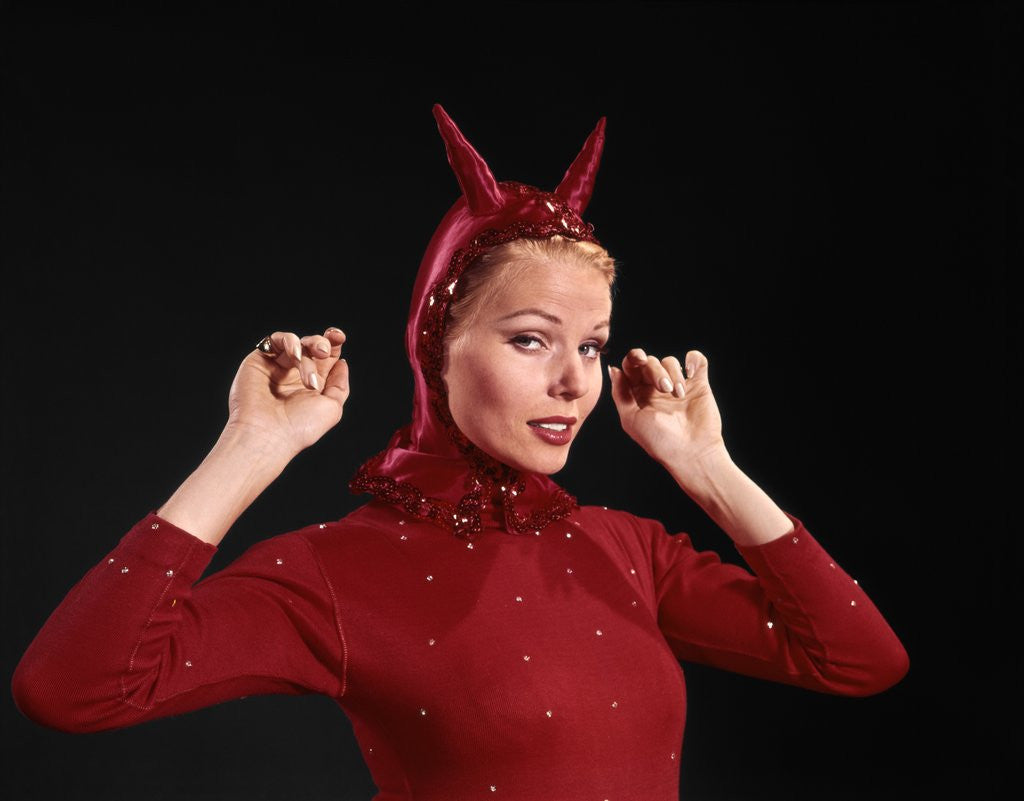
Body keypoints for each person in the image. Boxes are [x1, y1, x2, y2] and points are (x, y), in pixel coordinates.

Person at [12, 104, 909, 800]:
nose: (575, 382)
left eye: (592, 346)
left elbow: (859, 660)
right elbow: (74, 690)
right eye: (531, 339)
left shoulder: (625, 550)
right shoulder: (334, 570)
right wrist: (251, 446)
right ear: (434, 347)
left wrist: (709, 467)